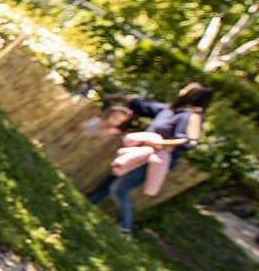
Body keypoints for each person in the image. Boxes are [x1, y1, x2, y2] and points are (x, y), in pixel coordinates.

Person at [87, 83, 213, 233]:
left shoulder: (188, 118)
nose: (182, 90)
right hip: (138, 153)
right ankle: (88, 204)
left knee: (119, 189)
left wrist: (160, 143)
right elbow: (141, 106)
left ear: (193, 95)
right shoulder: (169, 110)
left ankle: (125, 228)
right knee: (111, 177)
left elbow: (188, 141)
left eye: (186, 89)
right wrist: (121, 98)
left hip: (152, 160)